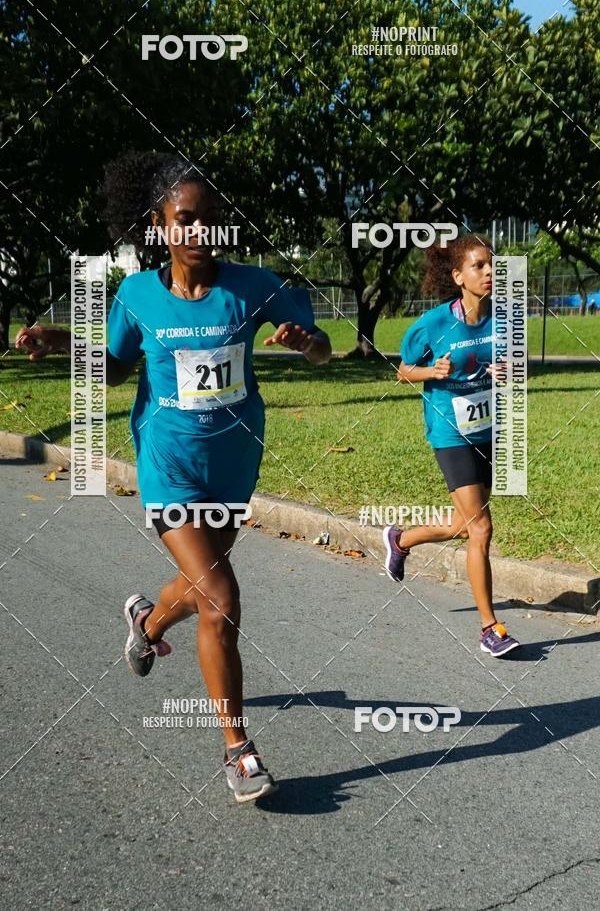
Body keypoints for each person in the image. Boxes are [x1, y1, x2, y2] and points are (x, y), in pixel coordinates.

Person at [16, 152, 332, 802]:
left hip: (234, 465)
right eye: (186, 219)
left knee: (200, 586)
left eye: (210, 220)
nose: (200, 232)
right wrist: (63, 343)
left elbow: (326, 344)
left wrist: (309, 345)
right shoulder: (136, 295)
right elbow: (113, 369)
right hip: (168, 465)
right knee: (220, 598)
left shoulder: (252, 286)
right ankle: (238, 750)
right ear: (158, 224)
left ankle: (147, 623)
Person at [383, 234, 519, 658]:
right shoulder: (434, 324)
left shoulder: (504, 319)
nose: (490, 272)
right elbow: (403, 372)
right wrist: (432, 372)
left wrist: (511, 371)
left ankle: (401, 540)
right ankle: (489, 628)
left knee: (465, 525)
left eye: (493, 265)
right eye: (479, 266)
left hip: (487, 432)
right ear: (459, 276)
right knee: (482, 528)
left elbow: (519, 372)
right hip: (450, 433)